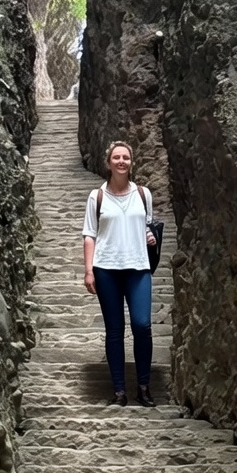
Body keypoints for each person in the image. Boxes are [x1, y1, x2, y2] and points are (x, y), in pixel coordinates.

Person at [82, 140, 158, 407]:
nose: (122, 161)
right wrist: (89, 270)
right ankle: (119, 391)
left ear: (131, 162)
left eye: (126, 157)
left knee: (142, 325)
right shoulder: (97, 196)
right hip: (106, 269)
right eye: (117, 157)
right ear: (109, 162)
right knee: (114, 330)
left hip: (138, 267)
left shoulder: (143, 194)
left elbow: (148, 225)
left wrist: (150, 237)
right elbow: (90, 234)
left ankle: (144, 387)